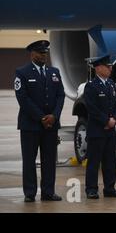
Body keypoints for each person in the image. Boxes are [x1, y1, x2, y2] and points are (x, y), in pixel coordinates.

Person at [14, 40, 65, 202]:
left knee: (49, 160)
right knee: (29, 160)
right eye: (40, 53)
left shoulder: (54, 72)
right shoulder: (22, 72)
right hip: (30, 125)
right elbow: (23, 99)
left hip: (51, 124)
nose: (44, 56)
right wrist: (41, 117)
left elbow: (60, 96)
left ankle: (48, 192)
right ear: (32, 54)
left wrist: (54, 116)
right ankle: (30, 193)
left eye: (45, 53)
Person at [84, 54, 116, 199]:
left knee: (110, 161)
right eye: (108, 66)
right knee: (94, 161)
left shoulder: (111, 84)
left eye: (111, 66)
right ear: (98, 68)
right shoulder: (91, 86)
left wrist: (114, 118)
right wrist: (106, 121)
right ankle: (91, 189)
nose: (110, 68)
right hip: (97, 130)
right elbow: (92, 108)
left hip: (110, 130)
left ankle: (110, 188)